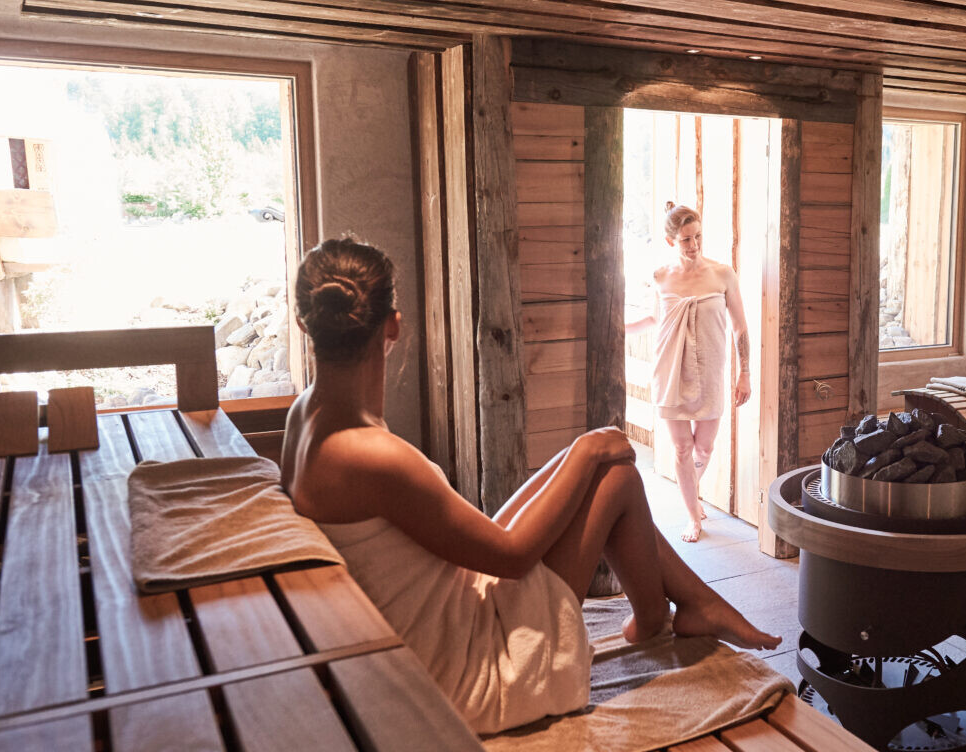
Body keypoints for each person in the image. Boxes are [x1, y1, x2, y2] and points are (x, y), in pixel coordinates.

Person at [279, 237, 779, 735]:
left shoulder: (307, 415)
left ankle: (677, 609)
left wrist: (585, 451)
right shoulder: (369, 455)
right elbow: (513, 556)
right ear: (393, 324)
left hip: (442, 611)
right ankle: (665, 616)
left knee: (601, 462)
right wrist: (586, 453)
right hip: (469, 671)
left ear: (305, 323)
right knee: (613, 472)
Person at [625, 203, 751, 543]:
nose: (693, 245)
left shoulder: (723, 274)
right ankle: (693, 517)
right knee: (682, 450)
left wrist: (745, 374)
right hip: (670, 371)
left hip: (710, 371)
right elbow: (654, 319)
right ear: (671, 241)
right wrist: (618, 328)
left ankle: (690, 492)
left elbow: (740, 327)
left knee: (704, 449)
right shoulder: (661, 277)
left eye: (697, 237)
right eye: (685, 240)